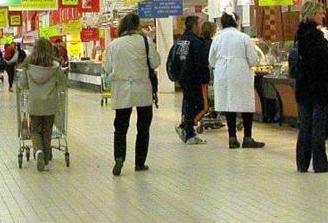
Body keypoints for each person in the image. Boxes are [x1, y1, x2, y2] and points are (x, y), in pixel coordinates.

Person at [102, 11, 161, 176]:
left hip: (121, 90)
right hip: (142, 88)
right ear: (137, 25)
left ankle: (119, 158)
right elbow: (155, 63)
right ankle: (139, 163)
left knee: (120, 127)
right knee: (143, 127)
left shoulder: (114, 44)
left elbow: (106, 68)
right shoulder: (145, 41)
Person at [292, 2, 328, 172]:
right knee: (318, 127)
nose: (322, 16)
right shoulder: (315, 36)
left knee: (305, 126)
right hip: (318, 87)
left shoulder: (300, 34)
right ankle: (320, 164)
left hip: (303, 88)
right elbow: (326, 62)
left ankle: (302, 163)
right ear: (311, 14)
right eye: (320, 13)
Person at [209, 13, 265, 150]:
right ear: (236, 21)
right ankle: (247, 137)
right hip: (240, 73)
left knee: (229, 105)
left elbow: (211, 60)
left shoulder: (217, 38)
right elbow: (253, 60)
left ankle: (232, 137)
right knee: (245, 104)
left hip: (223, 73)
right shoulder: (243, 37)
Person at [16, 38, 66, 171]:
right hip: (50, 104)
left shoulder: (28, 66)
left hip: (34, 103)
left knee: (35, 130)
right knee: (47, 130)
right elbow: (63, 82)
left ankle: (39, 152)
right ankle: (46, 156)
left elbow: (23, 84)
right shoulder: (55, 67)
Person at [167, 16, 209, 145]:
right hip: (194, 78)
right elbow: (200, 63)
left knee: (189, 104)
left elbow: (172, 59)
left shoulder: (180, 41)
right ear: (194, 26)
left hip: (183, 78)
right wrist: (204, 79)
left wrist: (176, 75)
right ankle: (186, 129)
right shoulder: (196, 42)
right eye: (198, 25)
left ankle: (187, 130)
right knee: (201, 105)